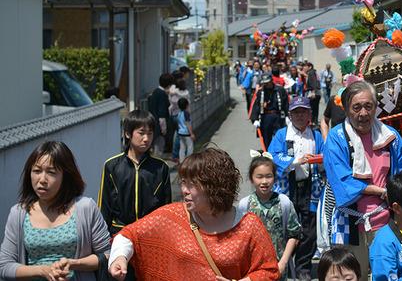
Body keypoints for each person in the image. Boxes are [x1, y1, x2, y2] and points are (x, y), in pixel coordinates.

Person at [108, 147, 280, 281]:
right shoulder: (172, 216)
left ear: (215, 187)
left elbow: (269, 271)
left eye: (192, 185)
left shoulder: (248, 225)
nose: (184, 191)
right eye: (183, 183)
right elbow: (130, 234)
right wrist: (119, 257)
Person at [324, 80, 402, 281]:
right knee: (355, 275)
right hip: (352, 222)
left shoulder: (391, 137)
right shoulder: (336, 138)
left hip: (387, 221)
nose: (363, 113)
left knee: (389, 274)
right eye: (356, 107)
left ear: (376, 107)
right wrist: (379, 191)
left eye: (368, 106)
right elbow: (342, 181)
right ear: (346, 109)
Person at [0, 141, 111, 281]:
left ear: (66, 176)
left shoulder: (86, 208)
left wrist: (74, 263)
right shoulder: (18, 213)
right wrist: (41, 271)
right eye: (36, 171)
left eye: (51, 172)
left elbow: (107, 255)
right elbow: (4, 266)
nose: (42, 180)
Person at [268, 96, 324, 281]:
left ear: (309, 114)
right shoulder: (282, 134)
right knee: (284, 225)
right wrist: (295, 161)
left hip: (310, 185)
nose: (300, 115)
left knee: (309, 228)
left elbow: (324, 156)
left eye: (303, 111)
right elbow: (272, 155)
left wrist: (320, 160)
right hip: (287, 185)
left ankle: (303, 267)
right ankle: (282, 263)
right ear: (290, 115)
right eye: (296, 112)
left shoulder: (315, 135)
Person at [99, 110, 172, 237]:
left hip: (151, 234)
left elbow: (166, 207)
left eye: (150, 133)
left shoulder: (161, 167)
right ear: (127, 133)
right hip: (120, 233)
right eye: (141, 133)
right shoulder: (112, 166)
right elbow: (104, 206)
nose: (146, 139)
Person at [238, 153, 301, 280]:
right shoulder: (245, 205)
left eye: (269, 176)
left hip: (279, 267)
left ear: (275, 178)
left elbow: (294, 234)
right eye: (259, 177)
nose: (264, 181)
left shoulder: (284, 202)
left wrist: (283, 262)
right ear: (251, 178)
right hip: (253, 269)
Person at [251, 74, 289, 150]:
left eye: (267, 83)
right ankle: (268, 154)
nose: (266, 85)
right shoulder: (261, 92)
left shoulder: (280, 90)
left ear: (271, 81)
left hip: (278, 116)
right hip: (266, 117)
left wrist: (288, 116)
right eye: (264, 83)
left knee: (280, 136)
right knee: (266, 137)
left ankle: (279, 152)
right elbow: (256, 106)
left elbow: (285, 103)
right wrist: (255, 119)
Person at [147, 73, 173, 155]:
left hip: (152, 122)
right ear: (169, 84)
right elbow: (162, 114)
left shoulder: (155, 91)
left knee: (155, 148)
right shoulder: (162, 94)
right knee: (158, 150)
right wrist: (164, 129)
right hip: (159, 126)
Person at [169, 78, 191, 161]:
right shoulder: (186, 93)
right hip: (183, 115)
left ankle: (176, 155)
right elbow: (188, 104)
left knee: (177, 135)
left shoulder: (173, 92)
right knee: (181, 136)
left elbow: (171, 102)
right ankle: (178, 155)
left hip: (174, 114)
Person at [176, 97, 195, 162]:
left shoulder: (179, 113)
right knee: (190, 147)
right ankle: (189, 161)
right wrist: (191, 134)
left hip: (180, 133)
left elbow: (178, 124)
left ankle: (182, 161)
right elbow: (188, 124)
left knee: (182, 148)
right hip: (187, 133)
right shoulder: (186, 113)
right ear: (187, 105)